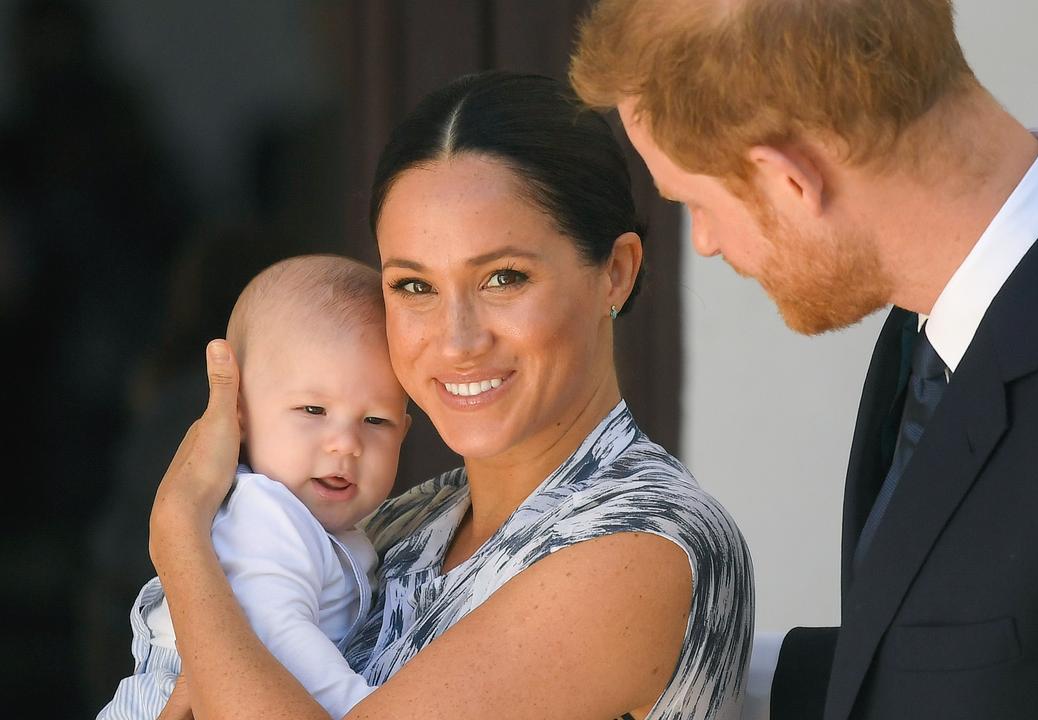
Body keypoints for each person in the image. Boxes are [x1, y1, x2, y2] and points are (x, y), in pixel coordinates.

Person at [570, 1, 1038, 718]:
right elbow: (976, 664)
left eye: (697, 202)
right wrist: (676, 667)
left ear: (790, 179)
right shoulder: (951, 308)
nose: (707, 243)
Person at [146, 71, 754, 720]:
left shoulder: (642, 544)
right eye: (414, 286)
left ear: (616, 273)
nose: (457, 340)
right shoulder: (402, 525)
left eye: (502, 277)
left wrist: (179, 532)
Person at [98, 255, 412, 719]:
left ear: (404, 431)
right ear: (239, 417)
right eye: (312, 410)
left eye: (375, 421)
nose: (346, 443)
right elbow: (278, 636)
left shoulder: (333, 526)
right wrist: (364, 708)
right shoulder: (265, 514)